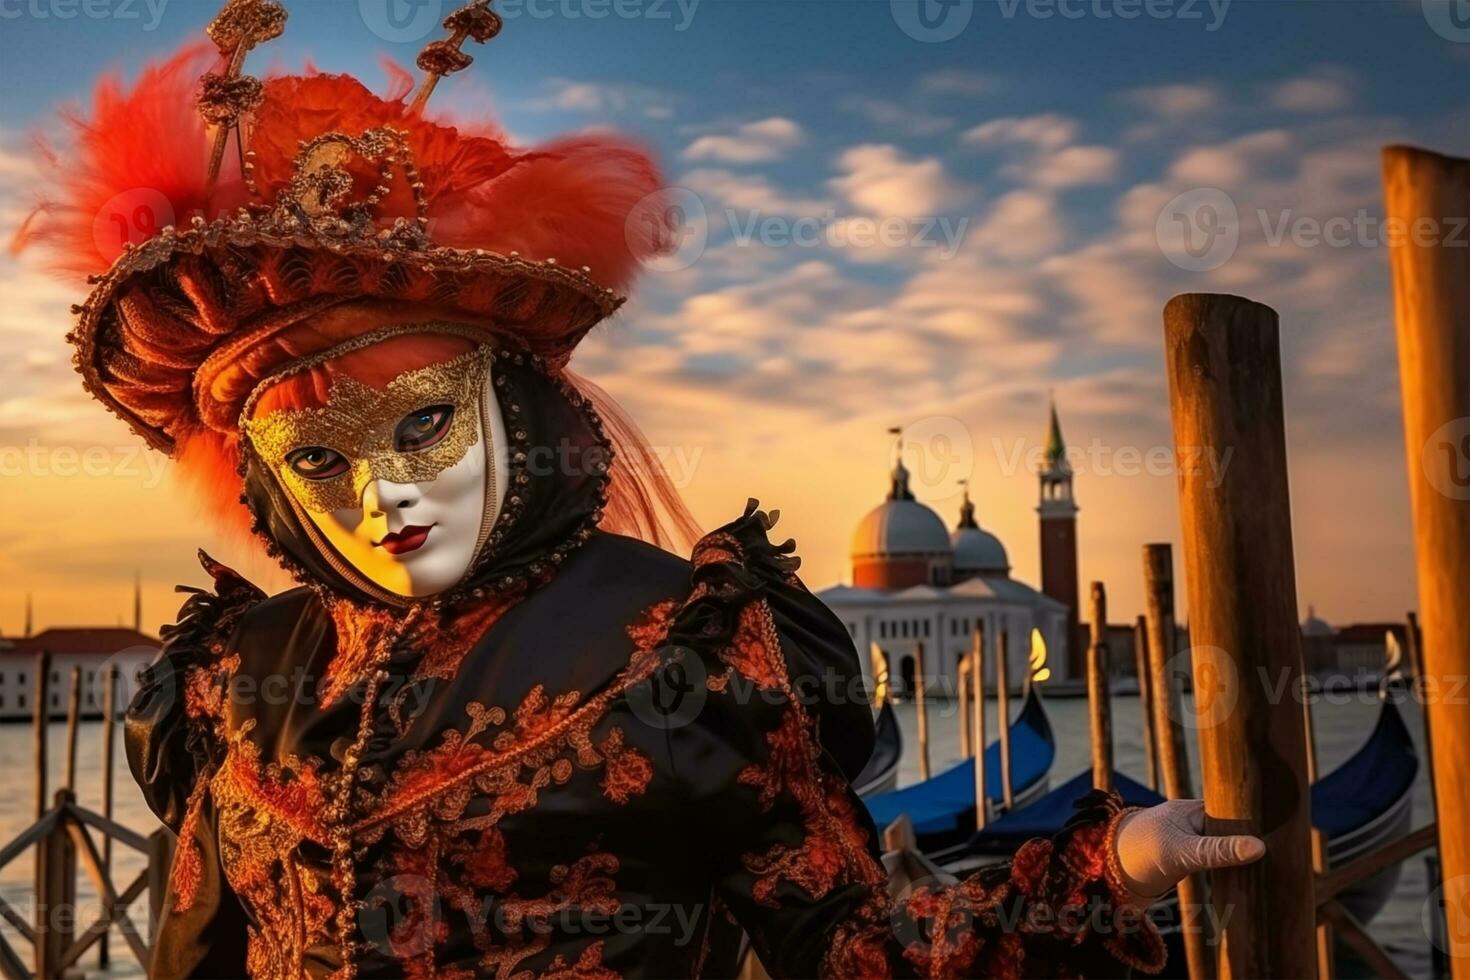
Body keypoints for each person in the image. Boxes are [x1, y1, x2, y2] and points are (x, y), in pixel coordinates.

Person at [18, 2, 1264, 976]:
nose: (378, 497)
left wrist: (1110, 863)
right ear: (270, 486)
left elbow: (854, 944)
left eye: (424, 425)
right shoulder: (239, 675)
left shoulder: (683, 645)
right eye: (320, 463)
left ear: (513, 407)